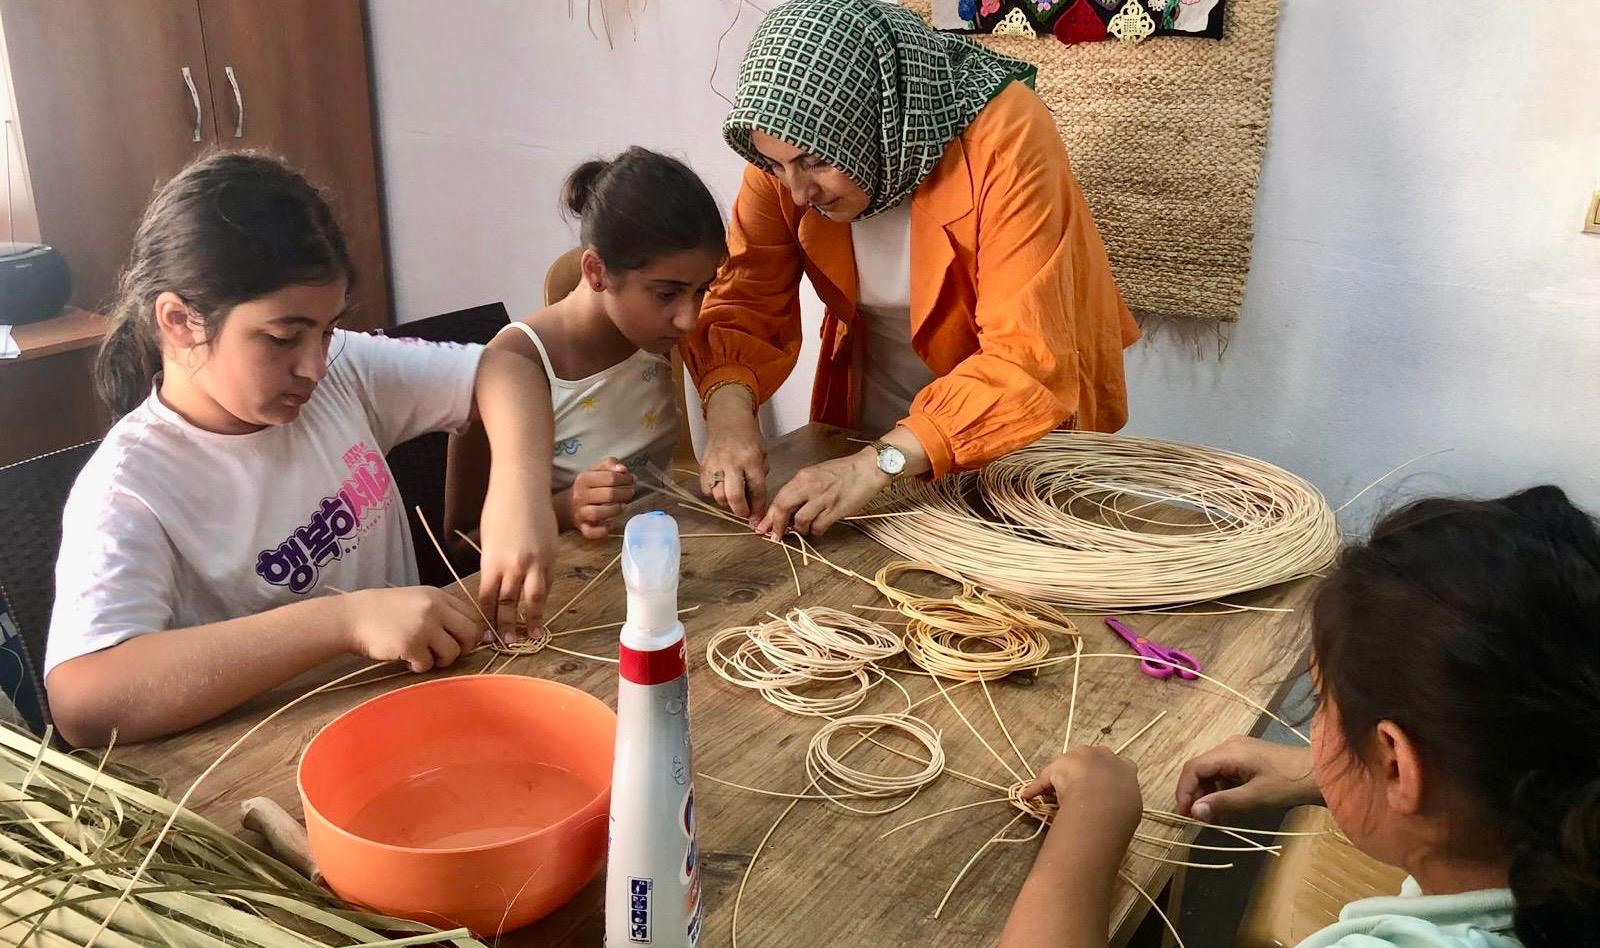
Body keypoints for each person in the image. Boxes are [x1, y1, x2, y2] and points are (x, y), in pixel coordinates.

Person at [979, 487, 1600, 948]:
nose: (1318, 727)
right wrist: (1321, 775)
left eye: (1323, 702)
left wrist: (1096, 813)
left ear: (1396, 765)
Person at [44, 151, 559, 747]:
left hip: (416, 713)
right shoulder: (130, 488)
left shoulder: (342, 372)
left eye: (328, 330)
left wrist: (520, 490)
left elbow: (505, 373)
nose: (313, 365)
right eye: (284, 337)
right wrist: (343, 621)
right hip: (271, 764)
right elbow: (83, 700)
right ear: (181, 322)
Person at [681, 0, 1138, 540]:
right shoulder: (785, 155)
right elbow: (744, 301)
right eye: (778, 167)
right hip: (878, 413)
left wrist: (877, 465)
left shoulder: (1006, 137)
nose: (798, 193)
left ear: (873, 120)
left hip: (1016, 420)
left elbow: (1025, 359)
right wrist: (730, 418)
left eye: (816, 162)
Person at [489, 147, 726, 539]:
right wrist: (564, 508)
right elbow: (459, 544)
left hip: (660, 554)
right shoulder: (513, 364)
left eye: (703, 289)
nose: (689, 318)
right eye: (667, 294)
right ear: (596, 271)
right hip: (568, 587)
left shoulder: (654, 333)